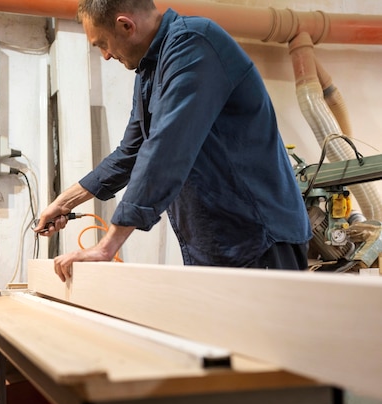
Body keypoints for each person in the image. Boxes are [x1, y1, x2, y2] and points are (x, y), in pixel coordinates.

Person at [34, 0, 312, 281]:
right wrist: (65, 202)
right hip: (216, 243)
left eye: (102, 43)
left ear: (125, 25)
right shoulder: (149, 70)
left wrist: (108, 247)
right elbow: (131, 152)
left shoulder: (194, 43)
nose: (105, 55)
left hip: (257, 238)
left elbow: (166, 149)